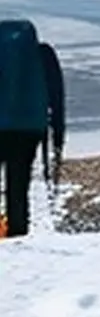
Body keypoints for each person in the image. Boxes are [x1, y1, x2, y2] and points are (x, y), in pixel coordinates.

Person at [0, 21, 66, 240]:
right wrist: (58, 136)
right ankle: (17, 234)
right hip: (29, 128)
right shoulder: (42, 53)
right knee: (18, 184)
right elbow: (56, 95)